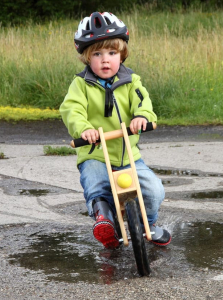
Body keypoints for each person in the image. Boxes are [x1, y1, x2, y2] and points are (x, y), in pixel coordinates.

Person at [60, 12, 171, 249]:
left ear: (122, 55)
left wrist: (142, 116)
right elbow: (72, 109)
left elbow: (144, 102)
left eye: (112, 53)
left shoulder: (132, 81)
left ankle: (147, 224)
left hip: (128, 156)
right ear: (87, 58)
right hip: (96, 154)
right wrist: (85, 129)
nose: (105, 60)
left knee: (153, 189)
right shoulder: (80, 85)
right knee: (96, 183)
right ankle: (105, 222)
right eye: (97, 54)